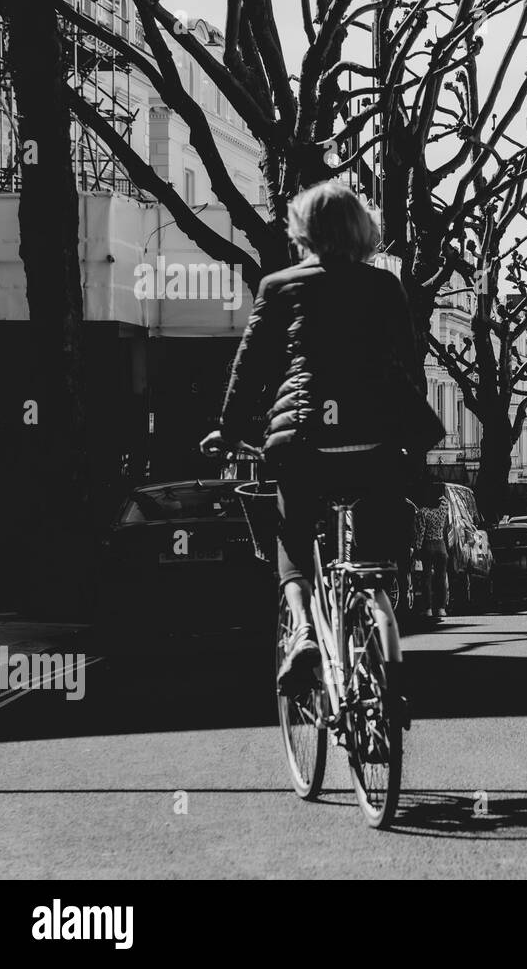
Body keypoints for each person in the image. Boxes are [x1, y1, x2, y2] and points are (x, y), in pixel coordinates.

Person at [201, 181, 442, 694]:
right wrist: (410, 431)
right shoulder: (384, 287)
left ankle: (305, 631)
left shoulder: (279, 285)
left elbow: (251, 369)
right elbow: (406, 364)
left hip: (302, 442)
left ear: (302, 231)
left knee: (291, 533)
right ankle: (377, 607)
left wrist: (229, 429)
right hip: (373, 442)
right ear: (364, 230)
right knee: (375, 544)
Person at [413, 480, 450, 618]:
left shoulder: (423, 512)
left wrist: (417, 548)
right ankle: (441, 608)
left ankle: (427, 608)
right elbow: (445, 500)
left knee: (426, 578)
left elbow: (420, 533)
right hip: (441, 545)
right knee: (441, 578)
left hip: (427, 546)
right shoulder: (443, 508)